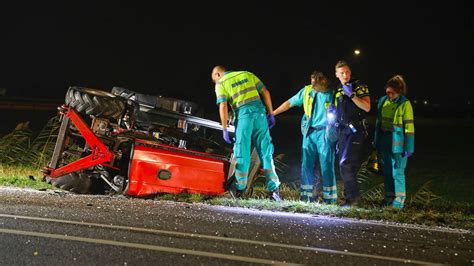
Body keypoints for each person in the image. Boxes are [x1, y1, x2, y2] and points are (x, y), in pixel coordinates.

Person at [211, 65, 281, 200]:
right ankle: (275, 190)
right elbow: (265, 92)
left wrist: (224, 128)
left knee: (242, 153)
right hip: (260, 115)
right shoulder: (247, 74)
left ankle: (239, 190)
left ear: (217, 74)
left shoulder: (221, 83)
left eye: (214, 79)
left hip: (244, 117)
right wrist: (271, 113)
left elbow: (223, 105)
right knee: (265, 152)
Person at [273, 71, 337, 203]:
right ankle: (305, 197)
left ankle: (329, 200)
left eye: (315, 82)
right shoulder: (306, 91)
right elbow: (289, 103)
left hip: (325, 133)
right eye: (311, 81)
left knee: (327, 165)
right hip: (309, 132)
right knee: (306, 165)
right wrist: (274, 113)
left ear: (322, 81)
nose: (312, 84)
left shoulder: (332, 92)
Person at [333, 60, 371, 207]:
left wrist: (353, 96)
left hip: (356, 131)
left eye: (347, 72)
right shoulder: (337, 90)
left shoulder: (359, 86)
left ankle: (353, 200)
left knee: (346, 164)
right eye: (342, 72)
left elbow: (367, 107)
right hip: (342, 131)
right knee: (346, 165)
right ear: (336, 74)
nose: (345, 75)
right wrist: (332, 110)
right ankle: (350, 198)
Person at [374, 75, 414, 209]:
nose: (390, 95)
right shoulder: (382, 101)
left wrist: (409, 147)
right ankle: (389, 198)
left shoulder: (405, 104)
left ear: (399, 91)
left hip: (399, 143)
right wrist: (376, 141)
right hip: (384, 140)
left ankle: (399, 201)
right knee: (387, 171)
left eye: (392, 92)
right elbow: (378, 123)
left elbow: (409, 127)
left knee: (398, 171)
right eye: (387, 92)